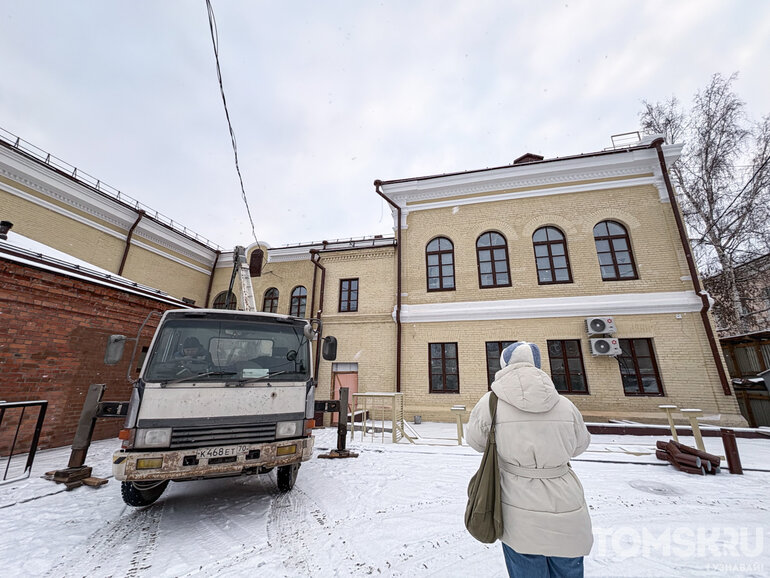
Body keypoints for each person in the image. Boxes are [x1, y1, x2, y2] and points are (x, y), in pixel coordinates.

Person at [465, 341, 593, 578]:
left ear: (504, 364)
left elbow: (475, 441)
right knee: (568, 567)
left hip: (517, 507)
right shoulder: (565, 405)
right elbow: (580, 446)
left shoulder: (491, 402)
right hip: (566, 502)